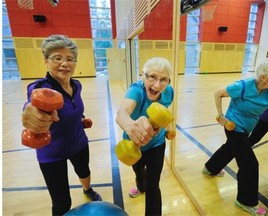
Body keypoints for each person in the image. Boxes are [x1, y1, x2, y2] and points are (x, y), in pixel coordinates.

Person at [22, 35, 102, 215]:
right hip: (52, 153)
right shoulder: (41, 87)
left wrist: (81, 118)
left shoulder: (77, 85)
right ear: (46, 61)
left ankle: (87, 190)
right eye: (57, 58)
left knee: (84, 172)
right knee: (61, 202)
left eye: (69, 59)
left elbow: (74, 107)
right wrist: (31, 112)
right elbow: (32, 101)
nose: (65, 63)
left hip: (79, 142)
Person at [202, 57, 268, 216]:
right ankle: (245, 201)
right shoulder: (243, 86)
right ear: (264, 77)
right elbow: (218, 93)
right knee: (249, 164)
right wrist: (221, 115)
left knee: (230, 149)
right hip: (234, 126)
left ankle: (210, 168)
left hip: (248, 127)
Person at [116, 57, 174, 216]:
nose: (157, 84)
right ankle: (140, 186)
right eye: (152, 77)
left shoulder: (169, 92)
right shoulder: (136, 90)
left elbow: (162, 115)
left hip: (157, 145)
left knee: (153, 184)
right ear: (143, 76)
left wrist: (166, 128)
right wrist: (130, 127)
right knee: (139, 172)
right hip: (134, 144)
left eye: (164, 79)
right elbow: (121, 113)